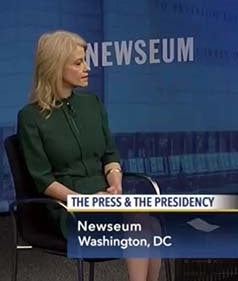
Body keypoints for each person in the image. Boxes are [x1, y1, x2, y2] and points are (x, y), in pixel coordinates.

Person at [17, 30, 162, 281]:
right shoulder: (30, 117)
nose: (87, 67)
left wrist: (115, 185)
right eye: (78, 62)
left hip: (105, 198)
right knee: (140, 224)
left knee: (153, 226)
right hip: (65, 207)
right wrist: (83, 201)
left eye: (85, 60)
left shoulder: (92, 104)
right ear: (55, 66)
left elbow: (109, 154)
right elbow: (41, 179)